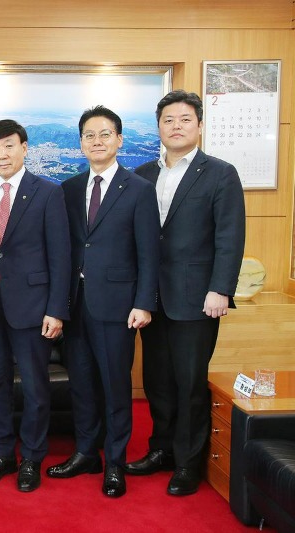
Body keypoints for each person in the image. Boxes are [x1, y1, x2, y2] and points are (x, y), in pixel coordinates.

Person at [125, 90, 246, 496]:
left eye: (184, 120)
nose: (176, 126)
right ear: (158, 127)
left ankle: (188, 463)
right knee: (157, 379)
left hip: (197, 297)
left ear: (199, 125)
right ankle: (161, 449)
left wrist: (220, 289)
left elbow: (230, 236)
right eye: (168, 120)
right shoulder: (143, 174)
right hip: (151, 296)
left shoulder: (220, 173)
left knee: (189, 382)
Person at [46, 106, 160, 498]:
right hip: (76, 305)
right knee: (81, 385)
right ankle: (85, 453)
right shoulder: (69, 188)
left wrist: (144, 302)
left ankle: (114, 462)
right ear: (80, 143)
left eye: (105, 134)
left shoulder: (139, 189)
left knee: (115, 387)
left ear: (119, 140)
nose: (97, 141)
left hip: (118, 306)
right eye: (89, 135)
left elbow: (149, 253)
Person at [0, 119, 71, 493]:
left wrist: (56, 309)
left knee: (34, 387)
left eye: (8, 145)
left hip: (33, 307)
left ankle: (31, 457)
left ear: (24, 148)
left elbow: (60, 256)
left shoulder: (47, 192)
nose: (2, 154)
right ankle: (2, 454)